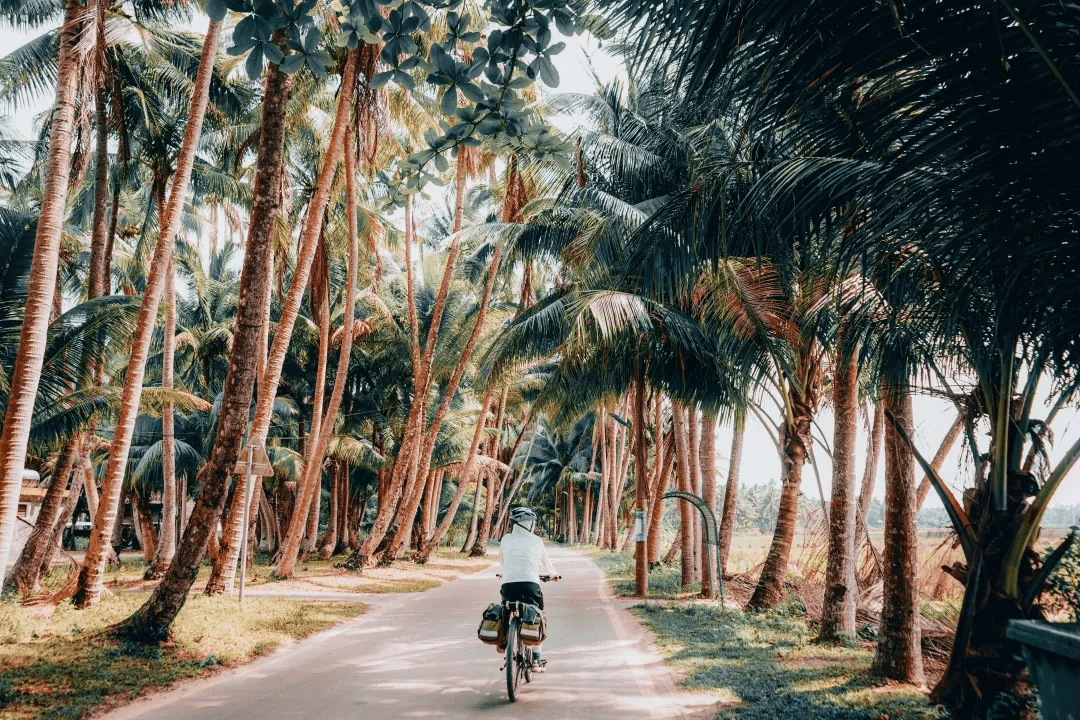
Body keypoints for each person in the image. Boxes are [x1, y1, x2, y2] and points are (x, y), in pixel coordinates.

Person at [499, 506, 559, 670]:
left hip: (507, 585)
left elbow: (502, 564)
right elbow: (547, 563)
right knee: (539, 615)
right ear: (529, 524)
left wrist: (501, 574)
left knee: (506, 607)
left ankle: (504, 640)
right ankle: (536, 659)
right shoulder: (536, 540)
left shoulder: (505, 539)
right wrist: (553, 574)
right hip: (530, 585)